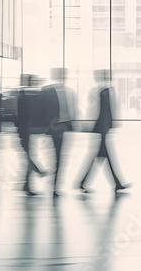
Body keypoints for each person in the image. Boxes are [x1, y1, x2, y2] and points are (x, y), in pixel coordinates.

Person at [78, 70, 132, 194]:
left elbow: (108, 110)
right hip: (101, 129)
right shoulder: (101, 91)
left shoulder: (107, 91)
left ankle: (83, 183)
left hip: (103, 129)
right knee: (106, 157)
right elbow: (97, 111)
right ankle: (117, 184)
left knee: (101, 157)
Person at [42, 68, 75, 196]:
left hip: (64, 126)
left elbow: (71, 110)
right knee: (57, 156)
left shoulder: (69, 91)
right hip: (54, 126)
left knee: (60, 156)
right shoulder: (48, 91)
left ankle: (54, 185)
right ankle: (53, 185)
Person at [16, 74, 46, 196]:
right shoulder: (23, 96)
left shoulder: (25, 95)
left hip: (25, 130)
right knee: (28, 155)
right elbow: (21, 116)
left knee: (28, 155)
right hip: (24, 131)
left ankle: (26, 184)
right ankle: (38, 171)